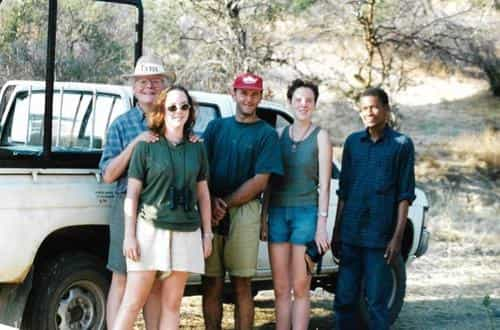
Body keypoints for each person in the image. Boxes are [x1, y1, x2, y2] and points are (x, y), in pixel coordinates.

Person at [112, 86, 213, 329]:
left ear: (190, 110)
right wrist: (129, 236)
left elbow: (203, 193)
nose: (179, 111)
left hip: (186, 233)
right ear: (162, 110)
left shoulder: (197, 146)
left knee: (172, 305)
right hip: (149, 231)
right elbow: (132, 194)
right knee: (132, 303)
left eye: (184, 106)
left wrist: (207, 233)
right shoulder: (147, 145)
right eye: (172, 107)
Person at [201, 73, 284, 330]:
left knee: (241, 283)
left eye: (254, 94)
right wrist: (210, 201)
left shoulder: (266, 134)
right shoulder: (216, 127)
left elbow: (260, 180)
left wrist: (222, 203)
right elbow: (201, 169)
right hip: (211, 207)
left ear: (261, 96)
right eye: (243, 93)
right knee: (211, 282)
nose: (248, 99)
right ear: (233, 93)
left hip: (244, 210)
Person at [99, 55, 174, 329]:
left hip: (163, 209)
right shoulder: (121, 125)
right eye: (143, 81)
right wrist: (136, 144)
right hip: (126, 206)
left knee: (154, 281)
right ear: (134, 87)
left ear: (164, 86)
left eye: (155, 81)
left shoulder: (174, 121)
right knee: (121, 277)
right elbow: (107, 175)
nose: (149, 87)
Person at [331, 87, 416, 330]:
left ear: (386, 110)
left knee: (378, 304)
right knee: (344, 300)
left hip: (380, 238)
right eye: (365, 108)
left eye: (375, 107)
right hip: (351, 235)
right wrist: (337, 231)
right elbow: (344, 191)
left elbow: (404, 195)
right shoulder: (352, 143)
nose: (370, 112)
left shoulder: (401, 145)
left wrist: (397, 238)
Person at [262, 79, 332, 330]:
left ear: (314, 104)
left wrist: (321, 225)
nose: (303, 104)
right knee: (280, 287)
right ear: (289, 102)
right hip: (278, 213)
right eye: (298, 100)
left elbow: (324, 185)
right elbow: (269, 182)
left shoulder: (321, 136)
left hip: (306, 214)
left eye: (308, 100)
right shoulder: (278, 135)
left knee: (300, 285)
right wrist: (264, 219)